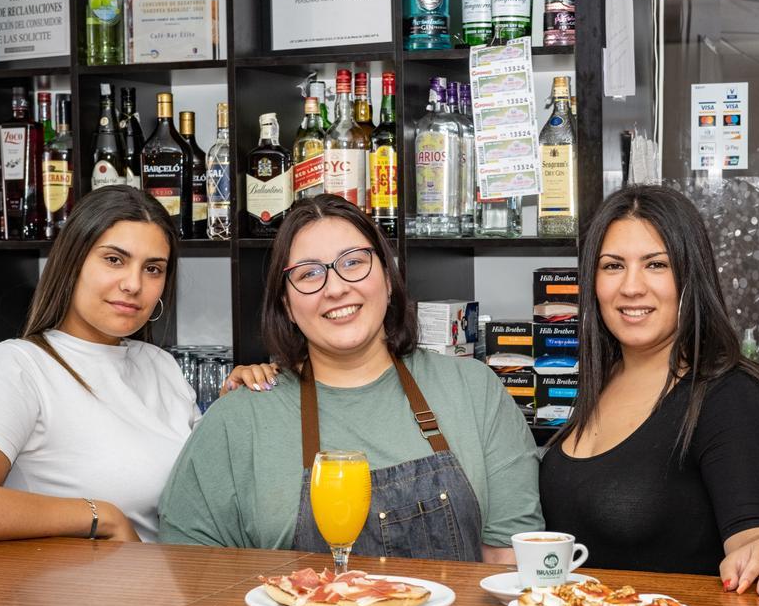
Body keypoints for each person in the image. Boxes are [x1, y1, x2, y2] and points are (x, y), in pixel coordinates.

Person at [158, 194, 543, 562]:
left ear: (388, 279)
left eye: (354, 262)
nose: (337, 288)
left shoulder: (474, 390)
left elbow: (507, 562)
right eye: (309, 274)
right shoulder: (238, 420)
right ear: (287, 306)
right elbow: (191, 575)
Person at [0, 186, 269, 544]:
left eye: (153, 269)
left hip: (168, 590)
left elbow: (203, 498)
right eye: (114, 260)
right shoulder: (18, 366)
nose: (133, 284)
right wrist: (101, 517)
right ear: (72, 262)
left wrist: (233, 411)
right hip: (80, 597)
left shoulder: (159, 365)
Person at [539, 185, 759, 596]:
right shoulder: (602, 381)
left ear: (691, 275)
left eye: (655, 265)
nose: (631, 287)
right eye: (613, 266)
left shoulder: (729, 397)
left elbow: (753, 535)